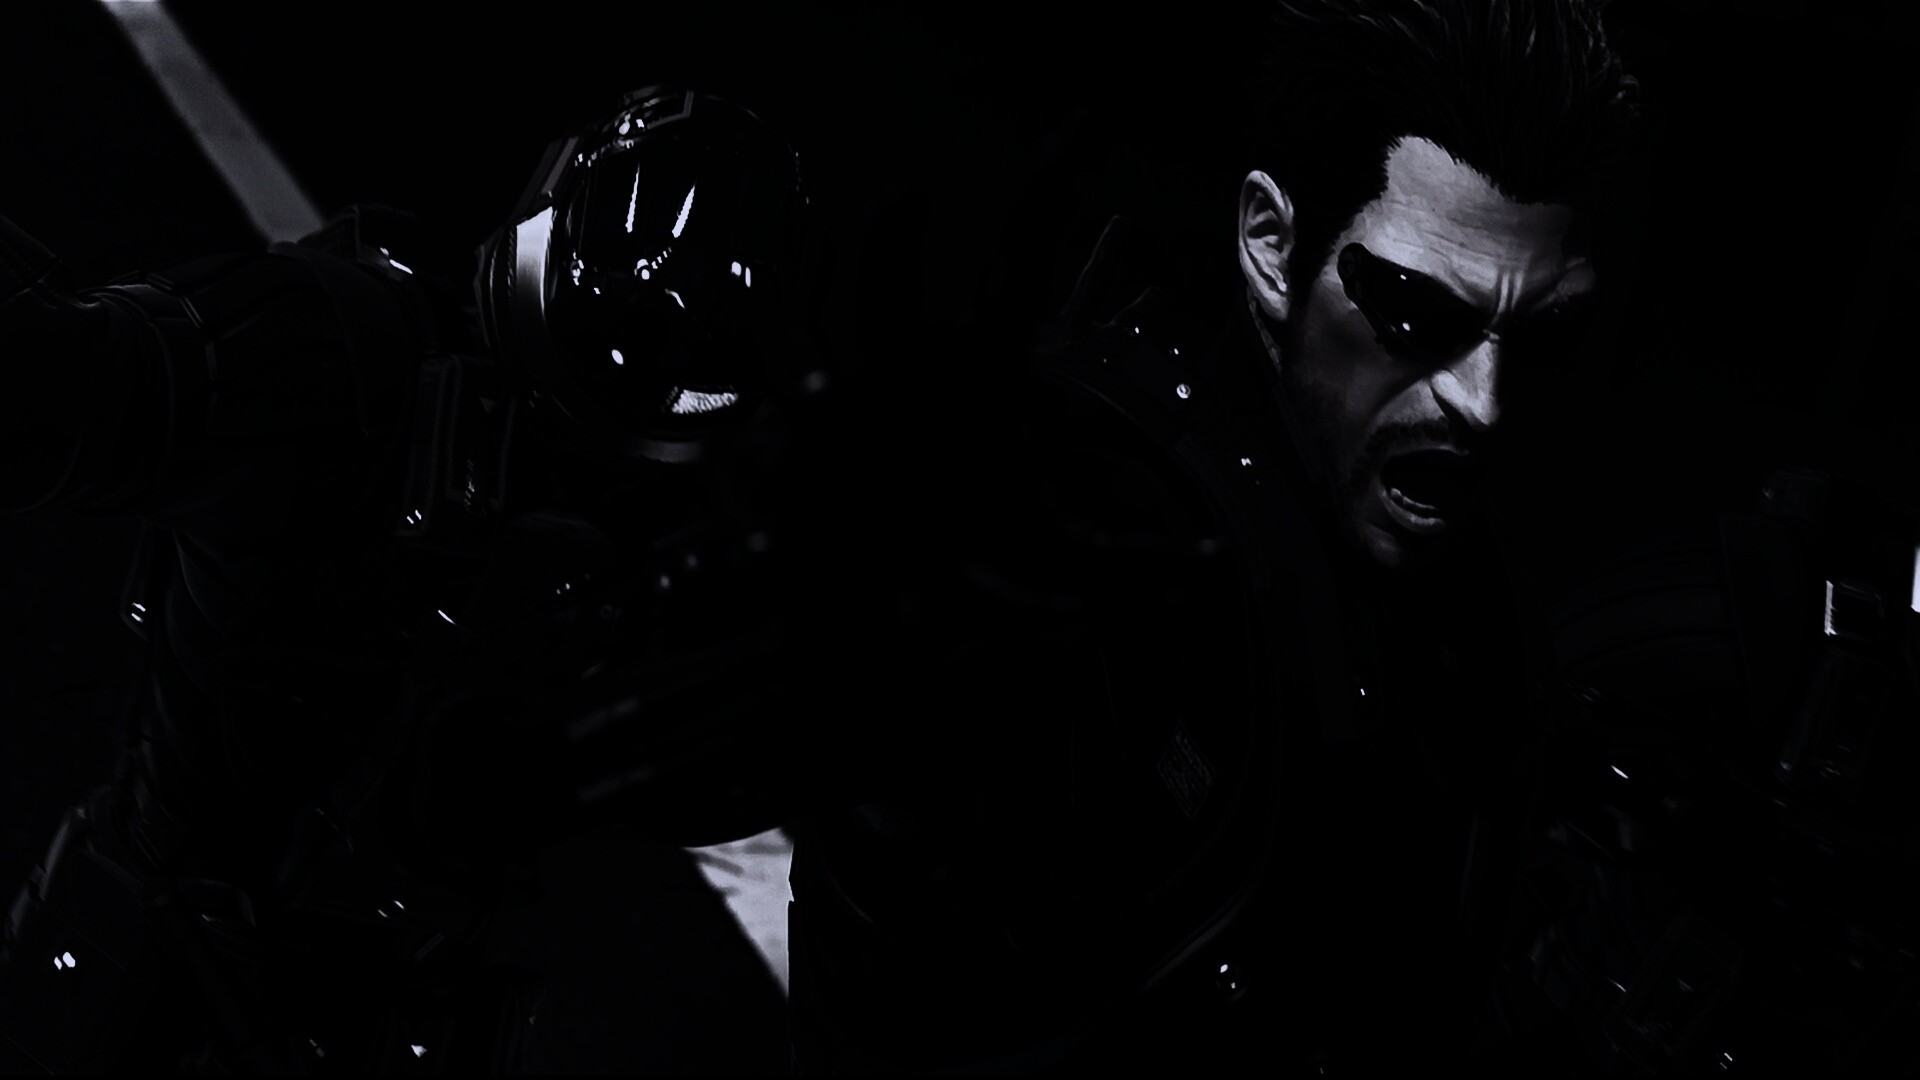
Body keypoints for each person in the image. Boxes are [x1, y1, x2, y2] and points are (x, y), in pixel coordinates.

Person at [780, 0, 1644, 1072]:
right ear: (1273, 248)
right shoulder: (1083, 538)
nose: (1483, 400)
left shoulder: (1468, 592)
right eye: (1418, 315)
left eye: (1540, 331)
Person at [0, 85, 834, 1074]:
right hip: (155, 972)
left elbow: (745, 772)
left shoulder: (689, 536)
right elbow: (74, 386)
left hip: (381, 1014)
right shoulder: (344, 357)